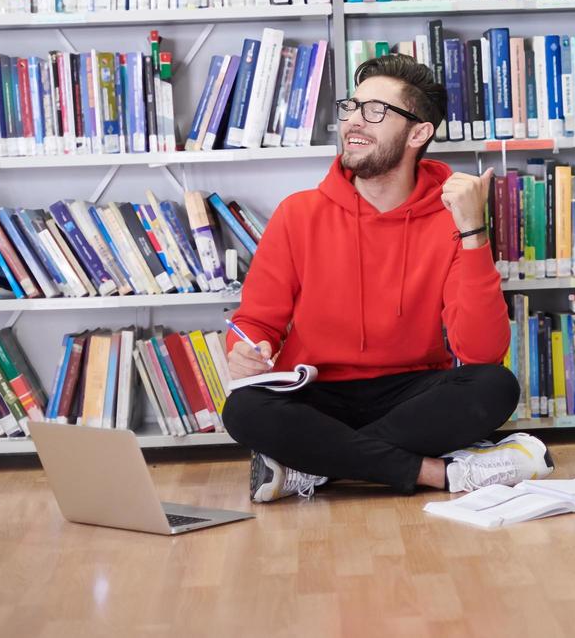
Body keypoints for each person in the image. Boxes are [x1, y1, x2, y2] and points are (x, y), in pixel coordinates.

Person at [220, 53, 553, 502]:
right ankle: (441, 473)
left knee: (495, 386)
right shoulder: (298, 213)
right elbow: (255, 322)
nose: (354, 122)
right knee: (244, 409)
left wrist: (475, 232)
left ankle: (316, 468)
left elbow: (481, 352)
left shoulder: (453, 216)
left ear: (418, 132)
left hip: (410, 393)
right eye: (352, 108)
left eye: (375, 111)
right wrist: (245, 350)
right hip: (316, 389)